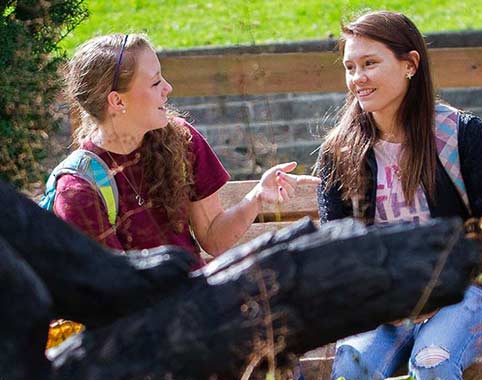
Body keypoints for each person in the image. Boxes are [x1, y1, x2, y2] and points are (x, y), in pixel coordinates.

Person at [315, 11, 482, 380]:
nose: (357, 78)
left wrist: (441, 285)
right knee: (353, 368)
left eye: (370, 63)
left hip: (465, 296)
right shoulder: (339, 151)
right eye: (350, 67)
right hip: (385, 307)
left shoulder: (460, 134)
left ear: (410, 64)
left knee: (432, 361)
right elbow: (336, 252)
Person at [46, 32, 308, 264]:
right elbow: (116, 289)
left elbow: (214, 239)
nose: (168, 89)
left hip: (200, 300)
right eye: (155, 82)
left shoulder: (181, 140)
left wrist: (258, 197)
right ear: (116, 101)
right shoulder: (78, 190)